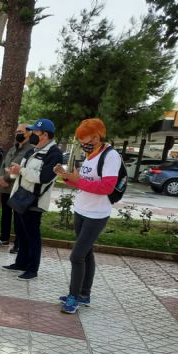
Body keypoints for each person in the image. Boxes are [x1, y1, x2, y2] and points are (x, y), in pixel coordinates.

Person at [56, 118, 121, 313]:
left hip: (97, 214)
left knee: (77, 256)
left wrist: (77, 180)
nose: (84, 142)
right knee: (86, 253)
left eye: (88, 138)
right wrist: (66, 177)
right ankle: (84, 294)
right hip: (81, 210)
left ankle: (73, 298)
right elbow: (83, 183)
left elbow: (107, 187)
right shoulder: (91, 155)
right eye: (81, 139)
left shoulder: (111, 156)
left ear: (98, 135)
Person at [3, 119, 62, 280]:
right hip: (21, 197)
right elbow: (23, 173)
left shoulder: (54, 154)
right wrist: (14, 171)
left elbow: (44, 178)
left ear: (45, 135)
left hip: (34, 200)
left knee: (32, 235)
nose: (31, 135)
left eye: (35, 132)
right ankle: (20, 263)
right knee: (21, 233)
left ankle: (32, 268)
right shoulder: (32, 150)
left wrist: (21, 170)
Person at [0, 124, 34, 249]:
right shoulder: (12, 148)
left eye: (20, 131)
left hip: (17, 188)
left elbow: (21, 169)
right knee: (5, 214)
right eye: (16, 131)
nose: (17, 134)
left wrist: (5, 178)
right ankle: (4, 238)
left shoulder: (30, 150)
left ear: (28, 133)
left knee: (18, 218)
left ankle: (18, 244)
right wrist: (0, 178)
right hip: (5, 188)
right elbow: (3, 164)